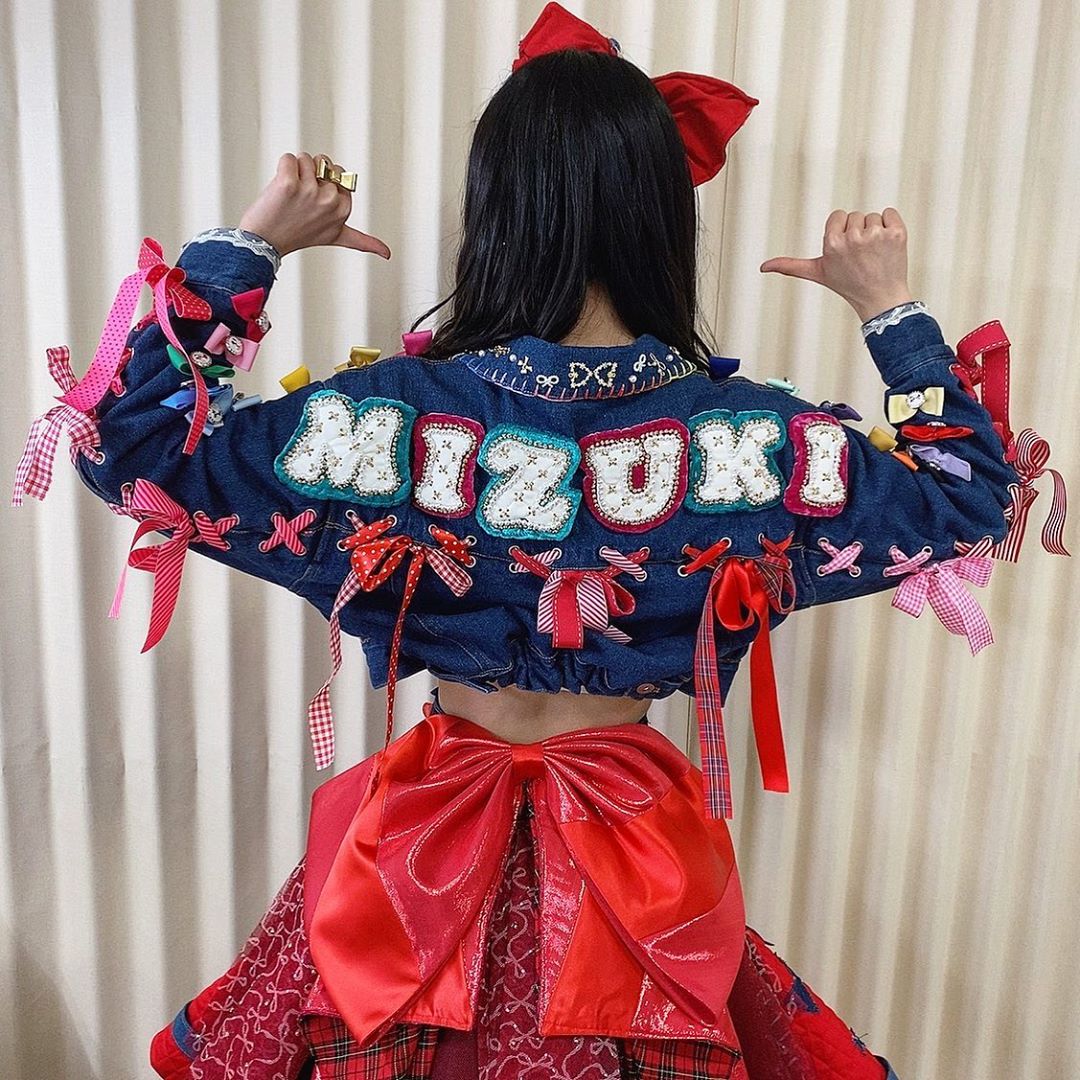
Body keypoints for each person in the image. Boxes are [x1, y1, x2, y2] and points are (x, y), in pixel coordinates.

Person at [16, 4, 1047, 1078]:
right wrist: (890, 311)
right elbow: (968, 498)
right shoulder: (763, 439)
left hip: (416, 844)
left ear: (497, 208)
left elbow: (131, 447)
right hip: (639, 855)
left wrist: (251, 246)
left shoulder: (381, 418)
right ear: (662, 215)